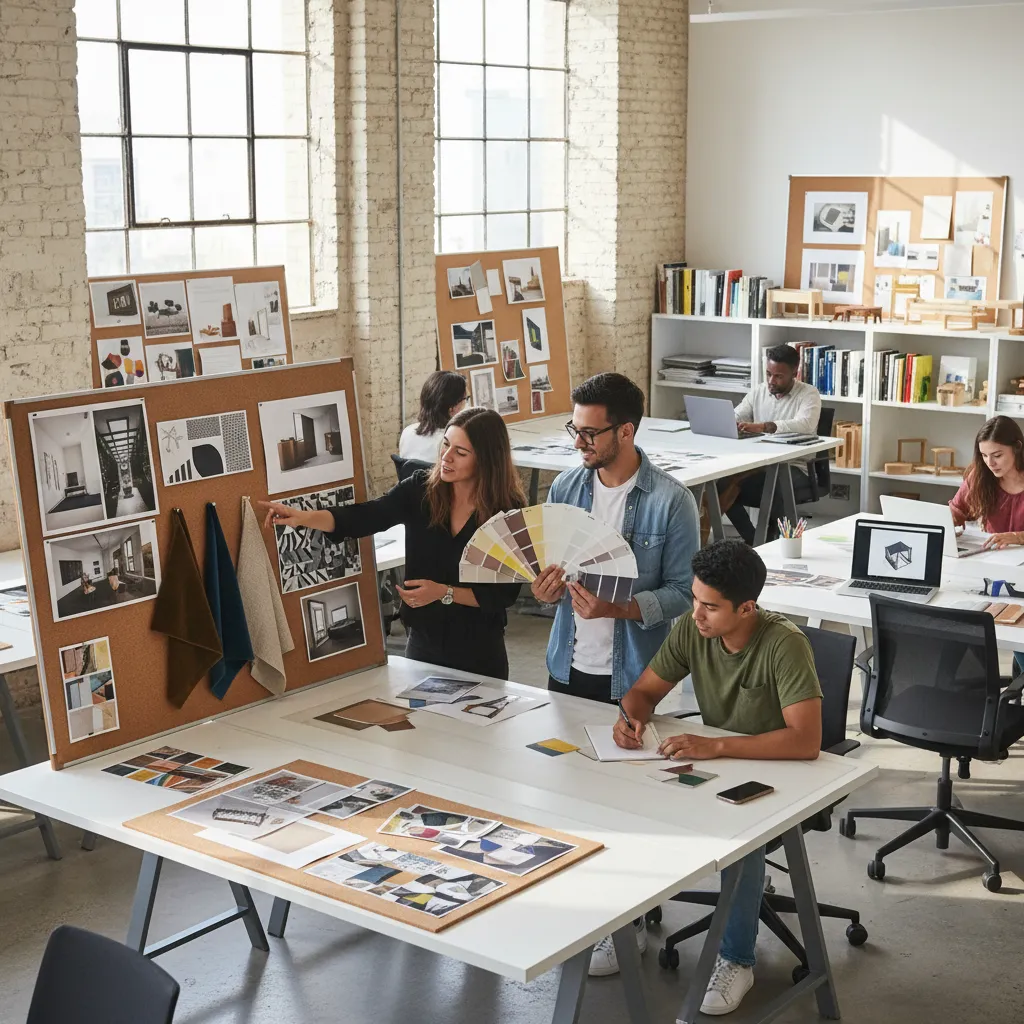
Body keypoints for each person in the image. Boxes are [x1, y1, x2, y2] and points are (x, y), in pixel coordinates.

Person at [530, 371, 700, 975]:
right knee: (572, 797)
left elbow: (685, 593)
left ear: (626, 431)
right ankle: (587, 913)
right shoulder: (566, 487)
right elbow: (549, 572)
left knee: (627, 807)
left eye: (590, 432)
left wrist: (619, 608)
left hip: (635, 673)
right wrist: (544, 589)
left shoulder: (670, 501)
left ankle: (620, 924)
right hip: (567, 663)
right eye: (573, 429)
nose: (578, 441)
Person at [615, 540, 822, 1015]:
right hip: (716, 767)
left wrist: (717, 746)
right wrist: (632, 719)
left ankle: (737, 960)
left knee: (742, 840)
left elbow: (805, 741)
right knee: (628, 805)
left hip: (782, 775)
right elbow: (643, 692)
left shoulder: (784, 643)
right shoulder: (694, 630)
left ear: (746, 608)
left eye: (709, 606)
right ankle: (626, 928)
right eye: (694, 599)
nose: (696, 614)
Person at [261, 407, 525, 678]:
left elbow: (503, 595)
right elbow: (367, 515)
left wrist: (443, 592)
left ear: (486, 460)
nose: (446, 457)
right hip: (423, 641)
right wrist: (303, 517)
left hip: (480, 647)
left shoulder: (507, 511)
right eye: (446, 444)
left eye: (460, 452)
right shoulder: (420, 490)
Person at [718, 344, 822, 545]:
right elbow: (738, 414)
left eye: (778, 376)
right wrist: (729, 422)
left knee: (773, 485)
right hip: (759, 465)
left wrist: (764, 426)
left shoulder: (809, 394)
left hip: (795, 467)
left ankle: (772, 541)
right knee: (720, 484)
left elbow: (805, 424)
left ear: (794, 373)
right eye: (768, 374)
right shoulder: (759, 391)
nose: (771, 381)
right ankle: (754, 541)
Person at [949, 415, 1024, 674]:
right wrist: (945, 522)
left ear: (1017, 447)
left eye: (997, 455)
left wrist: (1018, 536)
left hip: (1020, 575)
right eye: (984, 455)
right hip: (993, 571)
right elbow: (957, 510)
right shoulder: (980, 475)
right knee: (952, 619)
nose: (990, 463)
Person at [399, 370, 469, 463]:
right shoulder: (451, 442)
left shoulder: (407, 432)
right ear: (452, 408)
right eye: (466, 399)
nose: (468, 404)